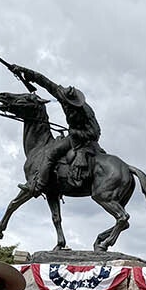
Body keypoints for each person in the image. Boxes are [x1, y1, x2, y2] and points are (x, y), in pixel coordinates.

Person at [10, 65, 101, 195]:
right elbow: (45, 82)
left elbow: (95, 133)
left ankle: (38, 185)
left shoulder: (87, 112)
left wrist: (76, 133)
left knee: (51, 153)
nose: (69, 107)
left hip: (83, 141)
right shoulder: (63, 95)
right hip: (73, 136)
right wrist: (23, 71)